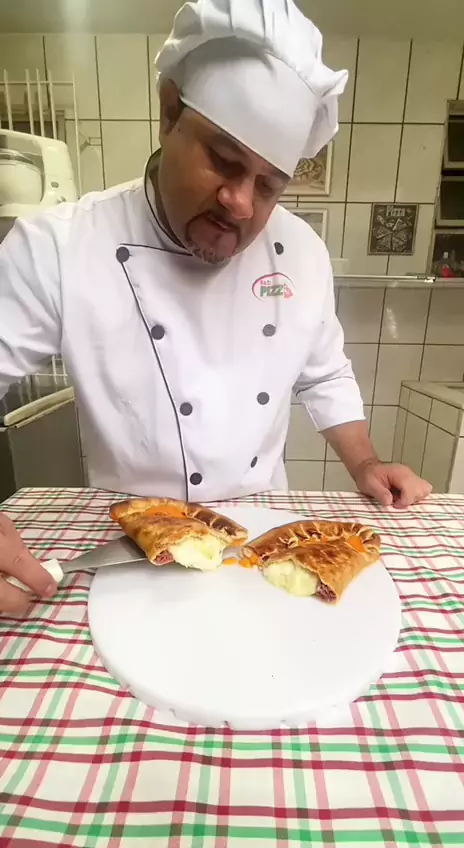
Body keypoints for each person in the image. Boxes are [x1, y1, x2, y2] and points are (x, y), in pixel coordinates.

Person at [0, 0, 431, 614]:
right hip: (134, 536)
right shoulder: (59, 247)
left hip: (258, 542)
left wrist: (365, 463)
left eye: (269, 185)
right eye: (224, 162)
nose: (241, 203)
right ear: (168, 111)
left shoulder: (301, 252)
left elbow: (325, 373)